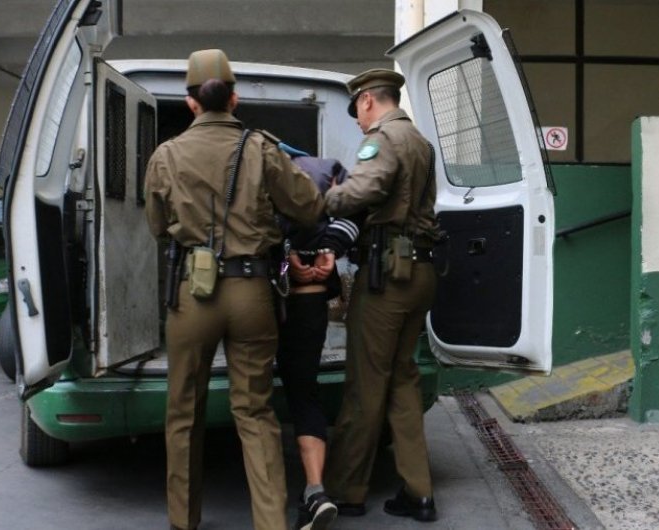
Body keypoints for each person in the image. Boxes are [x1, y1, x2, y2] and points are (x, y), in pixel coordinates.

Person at [143, 49, 325, 530]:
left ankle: (183, 520)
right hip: (252, 292)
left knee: (184, 411)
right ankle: (271, 523)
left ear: (191, 102)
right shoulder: (261, 147)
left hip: (192, 293)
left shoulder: (166, 155)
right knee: (255, 411)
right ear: (234, 97)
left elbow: (157, 226)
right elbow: (309, 207)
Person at [322, 68, 442, 522]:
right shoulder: (421, 142)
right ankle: (419, 491)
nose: (357, 119)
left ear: (368, 100)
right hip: (420, 271)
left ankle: (346, 490)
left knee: (366, 384)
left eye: (356, 109)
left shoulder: (384, 138)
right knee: (402, 379)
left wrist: (330, 196)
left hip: (388, 277)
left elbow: (367, 189)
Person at [274, 152, 357, 530]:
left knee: (253, 400)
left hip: (268, 300)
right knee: (304, 393)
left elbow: (257, 229)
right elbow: (354, 215)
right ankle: (315, 490)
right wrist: (329, 250)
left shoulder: (267, 178)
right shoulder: (332, 178)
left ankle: (267, 492)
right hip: (311, 301)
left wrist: (287, 255)